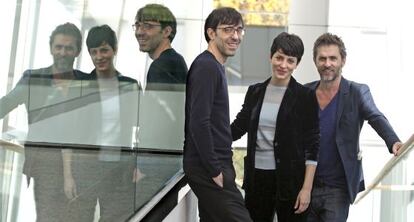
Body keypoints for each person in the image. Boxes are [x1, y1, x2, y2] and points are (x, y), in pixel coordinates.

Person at [305, 33, 403, 222]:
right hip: (306, 186)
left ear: (343, 60)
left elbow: (375, 116)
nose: (327, 64)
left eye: (333, 58)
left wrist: (393, 141)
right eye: (322, 58)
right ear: (315, 61)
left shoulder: (356, 92)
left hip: (337, 188)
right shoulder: (305, 93)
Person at [0, 22, 87, 222]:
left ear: (77, 52)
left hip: (81, 166)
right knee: (48, 216)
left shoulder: (86, 82)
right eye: (59, 47)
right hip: (45, 164)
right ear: (51, 48)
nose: (63, 52)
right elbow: (6, 104)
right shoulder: (34, 79)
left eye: (69, 48)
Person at [231, 32, 320, 222]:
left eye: (290, 60)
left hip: (290, 181)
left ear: (297, 64)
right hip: (257, 179)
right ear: (270, 56)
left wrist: (306, 189)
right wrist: (211, 139)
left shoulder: (305, 97)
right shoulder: (255, 92)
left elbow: (312, 146)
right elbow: (239, 126)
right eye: (279, 58)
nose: (283, 65)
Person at [62, 24, 141, 221]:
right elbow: (66, 135)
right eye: (93, 52)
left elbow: (143, 130)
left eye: (104, 50)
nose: (99, 56)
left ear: (115, 50)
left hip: (118, 171)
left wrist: (139, 164)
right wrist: (67, 176)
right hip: (85, 169)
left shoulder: (129, 86)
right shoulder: (79, 88)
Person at [183, 7, 252, 222]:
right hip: (209, 167)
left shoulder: (215, 66)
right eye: (228, 30)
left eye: (239, 30)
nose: (235, 36)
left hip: (215, 163)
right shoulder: (207, 67)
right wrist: (214, 169)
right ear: (211, 33)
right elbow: (199, 122)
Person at [134, 3, 188, 84]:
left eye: (147, 26)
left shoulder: (160, 66)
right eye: (137, 26)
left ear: (166, 32)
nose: (139, 32)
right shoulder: (176, 60)